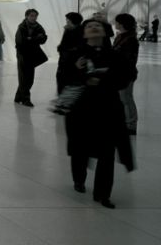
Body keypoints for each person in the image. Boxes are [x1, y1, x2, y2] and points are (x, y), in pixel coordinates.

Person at [62, 19, 134, 208]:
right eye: (89, 26)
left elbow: (126, 76)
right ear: (84, 33)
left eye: (98, 26)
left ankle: (103, 194)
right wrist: (78, 71)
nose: (94, 28)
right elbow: (63, 78)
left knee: (107, 152)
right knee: (79, 148)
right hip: (81, 110)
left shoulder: (115, 55)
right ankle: (79, 179)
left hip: (107, 108)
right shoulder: (74, 55)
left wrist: (104, 80)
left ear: (105, 32)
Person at [14, 8, 49, 106]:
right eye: (32, 16)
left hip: (32, 55)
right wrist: (36, 38)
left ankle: (18, 97)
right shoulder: (22, 27)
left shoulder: (38, 26)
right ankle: (26, 99)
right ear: (27, 16)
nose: (34, 18)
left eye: (35, 16)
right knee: (24, 78)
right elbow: (21, 42)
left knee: (28, 79)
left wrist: (31, 39)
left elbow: (43, 39)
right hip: (22, 55)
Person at [112, 13, 140, 134]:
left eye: (117, 22)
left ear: (122, 24)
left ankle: (131, 124)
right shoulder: (121, 37)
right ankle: (125, 122)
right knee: (122, 99)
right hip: (120, 73)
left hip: (125, 73)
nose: (115, 24)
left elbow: (128, 59)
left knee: (126, 98)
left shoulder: (130, 39)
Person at [56, 12, 84, 93]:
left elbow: (78, 47)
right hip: (65, 60)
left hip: (71, 61)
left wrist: (63, 49)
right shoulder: (69, 29)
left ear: (73, 21)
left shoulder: (79, 31)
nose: (66, 21)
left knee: (67, 79)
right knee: (61, 78)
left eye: (68, 20)